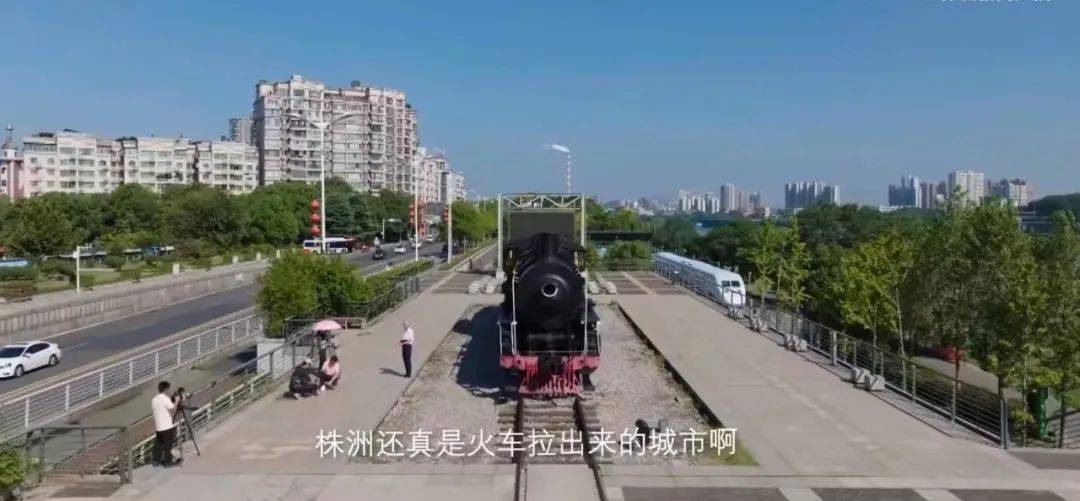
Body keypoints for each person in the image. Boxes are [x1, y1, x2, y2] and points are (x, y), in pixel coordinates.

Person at [151, 381, 181, 466]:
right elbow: (173, 409)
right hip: (167, 427)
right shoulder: (165, 398)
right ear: (166, 389)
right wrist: (177, 401)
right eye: (169, 389)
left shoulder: (154, 399)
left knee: (158, 444)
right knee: (168, 445)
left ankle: (156, 461)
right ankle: (168, 462)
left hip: (158, 426)